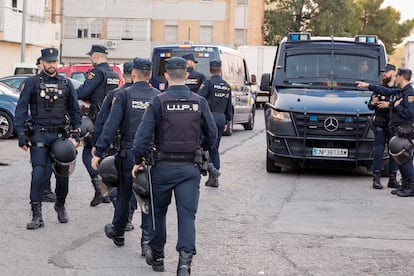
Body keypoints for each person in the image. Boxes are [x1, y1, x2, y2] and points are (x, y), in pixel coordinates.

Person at [131, 57, 217, 275]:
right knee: (187, 215)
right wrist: (201, 149)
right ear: (187, 76)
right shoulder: (199, 102)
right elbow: (212, 134)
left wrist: (137, 160)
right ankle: (185, 264)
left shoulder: (158, 102)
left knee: (158, 213)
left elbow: (141, 138)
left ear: (166, 76)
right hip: (190, 168)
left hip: (161, 168)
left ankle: (157, 257)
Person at [91, 58, 160, 253]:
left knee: (124, 194)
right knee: (148, 196)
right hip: (151, 154)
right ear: (150, 76)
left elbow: (110, 126)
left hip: (128, 152)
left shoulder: (123, 95)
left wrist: (99, 151)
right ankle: (146, 242)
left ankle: (119, 232)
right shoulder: (158, 96)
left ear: (134, 74)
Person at [14, 47, 81, 229]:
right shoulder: (32, 83)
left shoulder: (66, 83)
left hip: (60, 135)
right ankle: (37, 215)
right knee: (38, 174)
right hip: (39, 134)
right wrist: (20, 133)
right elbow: (21, 109)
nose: (52, 65)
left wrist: (76, 131)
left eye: (54, 61)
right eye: (48, 61)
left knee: (63, 176)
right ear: (42, 62)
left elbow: (75, 110)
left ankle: (60, 205)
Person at [92, 60, 136, 231]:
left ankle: (121, 212)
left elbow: (103, 122)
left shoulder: (115, 94)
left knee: (114, 181)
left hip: (115, 146)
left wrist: (97, 145)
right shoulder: (150, 95)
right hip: (138, 148)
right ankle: (128, 215)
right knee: (133, 183)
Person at [358, 68, 414, 197]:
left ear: (400, 77)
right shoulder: (402, 91)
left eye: (397, 76)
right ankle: (405, 185)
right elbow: (385, 90)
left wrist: (395, 106)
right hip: (396, 130)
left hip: (405, 131)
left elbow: (410, 113)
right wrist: (368, 86)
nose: (396, 78)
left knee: (405, 159)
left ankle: (411, 187)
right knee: (400, 158)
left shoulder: (409, 93)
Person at [77, 44, 120, 206]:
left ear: (95, 56)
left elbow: (82, 93)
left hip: (97, 119)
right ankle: (108, 190)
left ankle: (100, 189)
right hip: (112, 118)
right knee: (107, 155)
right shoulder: (113, 73)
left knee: (89, 153)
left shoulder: (97, 72)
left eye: (91, 57)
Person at [198, 59, 232, 187]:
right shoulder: (226, 86)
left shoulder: (208, 84)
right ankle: (215, 175)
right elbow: (229, 106)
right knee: (215, 148)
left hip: (209, 118)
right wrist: (227, 120)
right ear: (220, 70)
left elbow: (199, 99)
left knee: (204, 146)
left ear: (209, 70)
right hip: (221, 118)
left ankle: (212, 171)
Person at [368, 63, 399, 190]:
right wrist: (372, 103)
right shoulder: (379, 88)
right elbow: (370, 106)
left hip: (393, 126)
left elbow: (402, 107)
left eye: (386, 72)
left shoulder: (399, 90)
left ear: (392, 73)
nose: (383, 74)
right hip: (380, 125)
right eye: (383, 72)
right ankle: (376, 179)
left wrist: (389, 105)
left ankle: (392, 179)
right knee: (379, 151)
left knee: (394, 152)